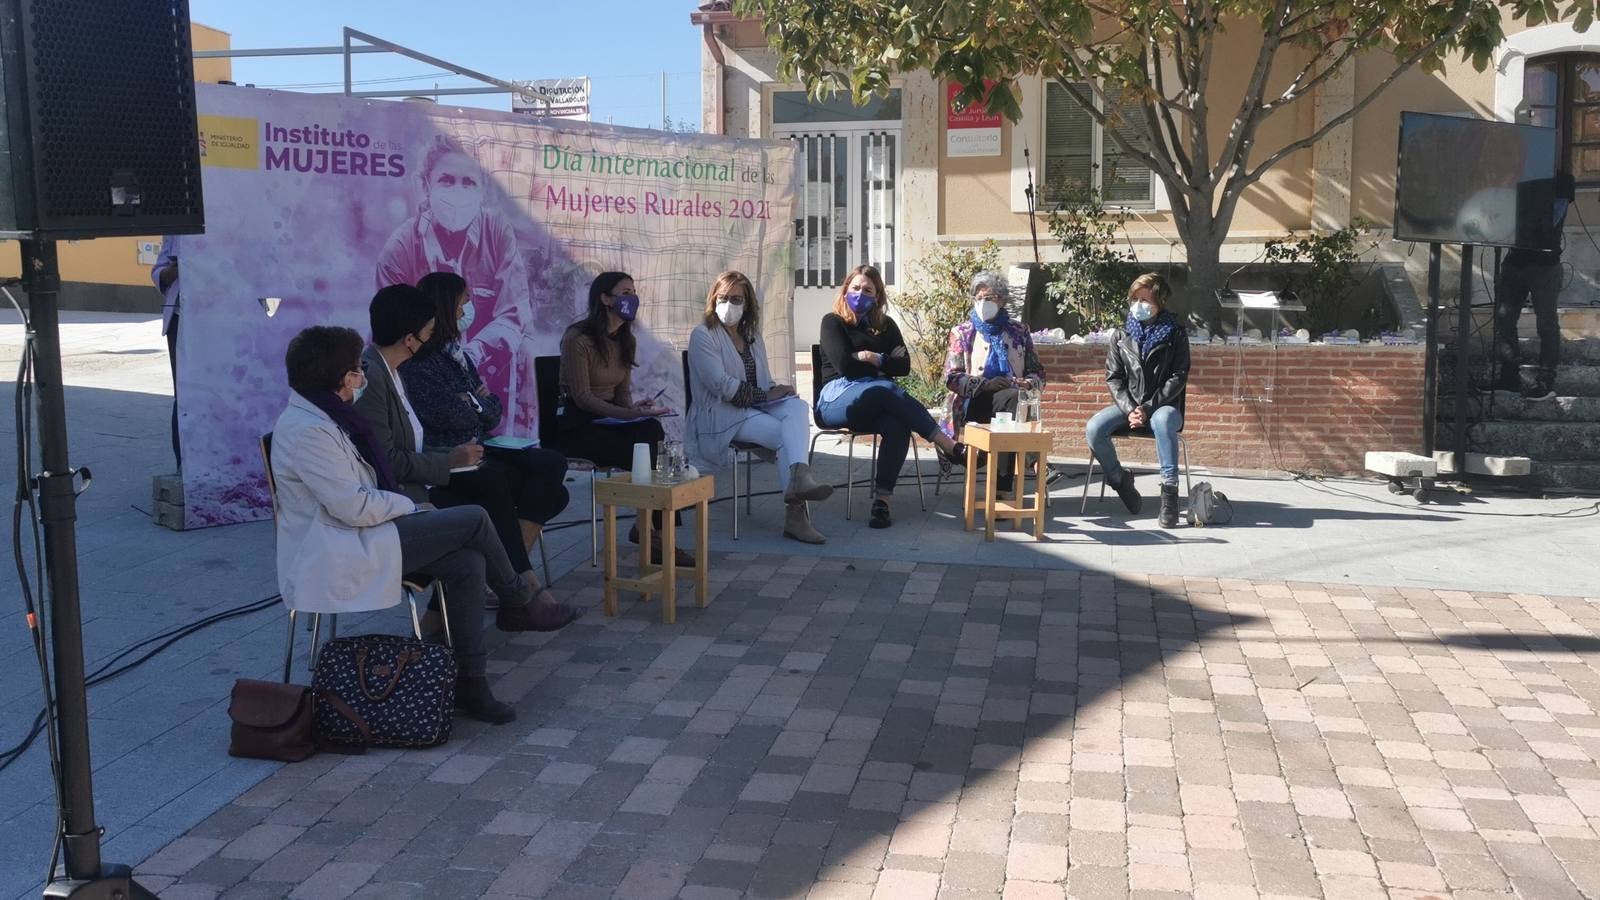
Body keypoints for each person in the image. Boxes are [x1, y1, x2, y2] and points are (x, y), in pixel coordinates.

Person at [269, 325, 556, 725]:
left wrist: (410, 508)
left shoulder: (330, 416)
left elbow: (362, 497)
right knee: (474, 517)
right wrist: (411, 506)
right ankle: (516, 599)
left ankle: (470, 682)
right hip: (342, 545)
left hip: (367, 531)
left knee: (468, 561)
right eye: (354, 371)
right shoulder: (308, 431)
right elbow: (353, 507)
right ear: (335, 377)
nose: (360, 377)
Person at [356, 281, 576, 629]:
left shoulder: (400, 369)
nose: (462, 316)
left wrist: (472, 407)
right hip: (412, 491)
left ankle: (510, 595)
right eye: (460, 306)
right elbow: (391, 458)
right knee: (492, 489)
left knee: (541, 477)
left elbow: (487, 409)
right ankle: (520, 593)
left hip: (455, 459)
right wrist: (450, 460)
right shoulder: (382, 376)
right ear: (411, 337)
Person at [376, 135, 540, 432]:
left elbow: (514, 314)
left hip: (483, 356)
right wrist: (439, 361)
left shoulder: (496, 230)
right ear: (425, 185)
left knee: (524, 350)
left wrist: (470, 358)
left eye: (468, 183)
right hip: (422, 359)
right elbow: (391, 330)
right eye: (446, 180)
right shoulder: (401, 246)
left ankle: (517, 439)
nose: (457, 192)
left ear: (483, 191)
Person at [552, 272, 691, 566]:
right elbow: (582, 397)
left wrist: (636, 409)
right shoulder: (578, 339)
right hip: (576, 425)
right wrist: (630, 415)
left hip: (608, 421)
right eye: (625, 292)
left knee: (650, 430)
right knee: (646, 440)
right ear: (605, 298)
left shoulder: (625, 340)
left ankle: (649, 529)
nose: (632, 298)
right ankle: (653, 533)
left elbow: (622, 395)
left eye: (634, 291)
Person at [815, 264, 966, 529]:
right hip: (837, 399)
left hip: (876, 398)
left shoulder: (886, 327)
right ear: (845, 290)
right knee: (886, 387)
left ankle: (882, 502)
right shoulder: (833, 322)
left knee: (897, 425)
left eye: (868, 290)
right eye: (856, 288)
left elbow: (904, 366)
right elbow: (845, 366)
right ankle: (947, 444)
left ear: (877, 297)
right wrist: (881, 365)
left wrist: (873, 357)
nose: (860, 293)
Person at [687, 270, 833, 544]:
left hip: (754, 406)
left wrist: (776, 392)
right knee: (783, 436)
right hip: (721, 413)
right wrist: (767, 396)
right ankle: (796, 513)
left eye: (737, 299)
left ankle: (799, 478)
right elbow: (723, 387)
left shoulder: (751, 334)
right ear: (713, 299)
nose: (729, 305)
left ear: (748, 304)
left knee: (797, 408)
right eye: (723, 297)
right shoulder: (702, 335)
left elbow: (761, 381)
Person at [1084, 273, 1190, 528]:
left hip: (1164, 406)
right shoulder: (1121, 335)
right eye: (1135, 299)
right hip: (1129, 406)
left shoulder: (1176, 333)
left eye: (1145, 299)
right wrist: (1131, 408)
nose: (1139, 304)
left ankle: (1169, 494)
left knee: (1163, 421)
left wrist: (1149, 407)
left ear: (1160, 302)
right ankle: (1120, 479)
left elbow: (1178, 376)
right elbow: (1114, 377)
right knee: (1094, 428)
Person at [943, 271, 1047, 494]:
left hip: (1011, 401)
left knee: (1010, 408)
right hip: (974, 402)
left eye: (989, 298)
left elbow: (1038, 373)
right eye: (978, 298)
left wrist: (1027, 383)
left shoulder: (1019, 331)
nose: (983, 303)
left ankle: (1001, 490)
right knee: (1013, 408)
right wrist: (985, 385)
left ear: (1001, 300)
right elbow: (952, 378)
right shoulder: (962, 333)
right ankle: (1033, 465)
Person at [1489, 171, 1575, 401]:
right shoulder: (1522, 176)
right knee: (1504, 318)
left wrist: (1516, 220)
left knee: (1546, 323)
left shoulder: (1562, 179)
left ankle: (1546, 380)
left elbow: (1549, 219)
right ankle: (1509, 377)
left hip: (1545, 265)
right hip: (1514, 262)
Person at [151, 236, 182, 470]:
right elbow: (158, 271)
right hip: (179, 321)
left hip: (218, 320)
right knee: (183, 396)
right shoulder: (178, 226)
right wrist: (173, 270)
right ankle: (183, 465)